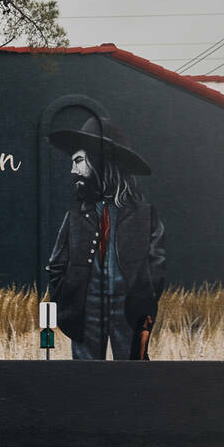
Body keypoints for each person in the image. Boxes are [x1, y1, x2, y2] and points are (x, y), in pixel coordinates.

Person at [46, 116, 166, 360]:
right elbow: (56, 265)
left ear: (99, 161)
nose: (73, 170)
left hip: (129, 312)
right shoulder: (75, 217)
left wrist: (142, 302)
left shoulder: (145, 215)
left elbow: (158, 268)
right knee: (86, 380)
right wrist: (69, 300)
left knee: (134, 376)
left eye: (79, 161)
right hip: (85, 311)